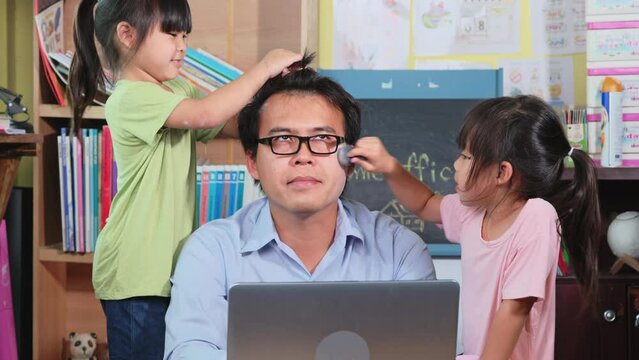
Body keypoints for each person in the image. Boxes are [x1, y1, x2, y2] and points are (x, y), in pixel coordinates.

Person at [163, 53, 437, 359]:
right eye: (283, 139)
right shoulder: (212, 252)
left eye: (322, 138)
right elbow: (188, 353)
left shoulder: (400, 251)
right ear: (252, 161)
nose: (303, 156)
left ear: (350, 161)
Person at [68, 0, 301, 358]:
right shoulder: (129, 98)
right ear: (127, 35)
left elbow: (232, 124)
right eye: (171, 34)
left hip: (169, 269)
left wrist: (278, 100)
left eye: (185, 35)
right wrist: (264, 67)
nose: (182, 46)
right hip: (136, 272)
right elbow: (208, 115)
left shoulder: (177, 92)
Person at [349, 95, 601, 360]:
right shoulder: (472, 211)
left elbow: (514, 310)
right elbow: (425, 204)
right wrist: (390, 167)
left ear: (502, 173)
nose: (456, 165)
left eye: (466, 157)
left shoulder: (537, 217)